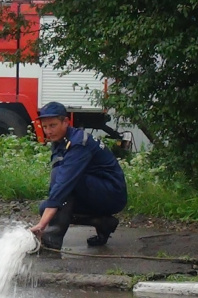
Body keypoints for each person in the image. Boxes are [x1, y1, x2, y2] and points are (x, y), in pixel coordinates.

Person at [29, 102, 128, 252]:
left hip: (112, 193)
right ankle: (102, 222)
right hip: (93, 190)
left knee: (59, 197)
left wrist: (42, 225)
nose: (48, 131)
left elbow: (64, 184)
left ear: (66, 122)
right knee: (47, 207)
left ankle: (51, 242)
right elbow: (57, 186)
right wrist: (49, 211)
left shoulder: (78, 143)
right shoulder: (59, 142)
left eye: (53, 125)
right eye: (45, 126)